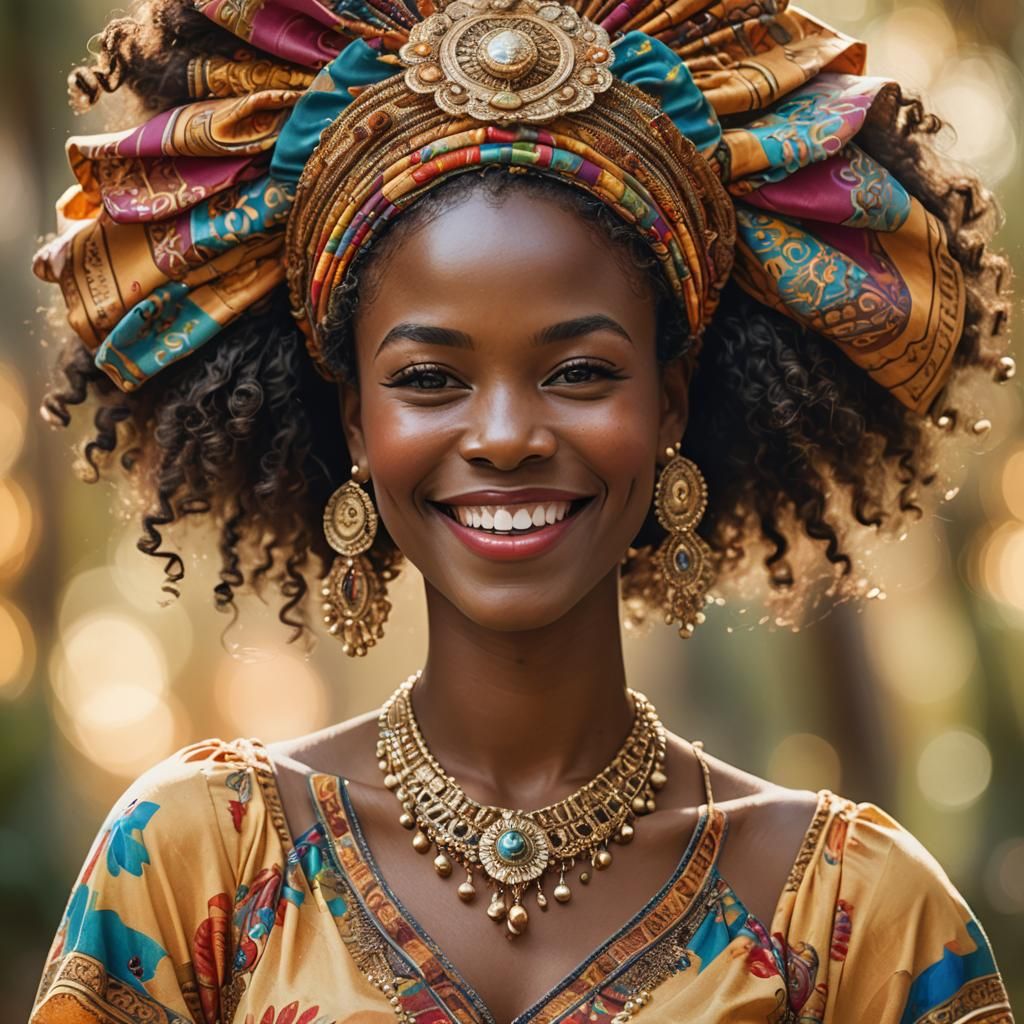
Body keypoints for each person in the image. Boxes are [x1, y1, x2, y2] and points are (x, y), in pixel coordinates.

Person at [28, 0, 1016, 1021]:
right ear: (355, 422)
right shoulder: (202, 864)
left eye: (580, 370)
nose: (504, 435)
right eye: (427, 377)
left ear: (668, 404)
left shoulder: (858, 914)